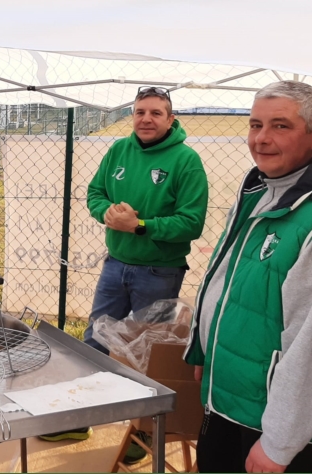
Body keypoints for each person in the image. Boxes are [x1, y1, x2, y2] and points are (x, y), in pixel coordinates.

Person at [185, 81, 312, 473]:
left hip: (271, 425)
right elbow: (223, 278)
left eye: (280, 126)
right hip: (229, 399)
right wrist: (205, 350)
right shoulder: (263, 191)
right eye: (255, 125)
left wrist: (279, 444)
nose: (261, 139)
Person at [40, 86, 209, 452]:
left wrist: (140, 226)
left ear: (170, 119)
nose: (146, 119)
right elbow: (95, 194)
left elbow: (192, 223)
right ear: (132, 116)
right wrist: (107, 213)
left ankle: (145, 433)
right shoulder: (119, 150)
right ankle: (78, 419)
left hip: (159, 272)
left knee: (150, 354)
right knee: (95, 341)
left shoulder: (186, 160)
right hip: (115, 265)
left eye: (156, 113)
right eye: (140, 112)